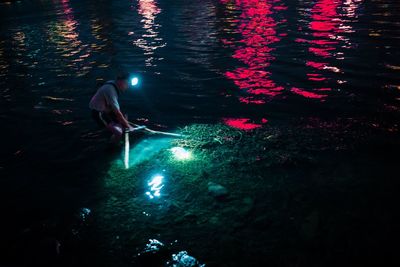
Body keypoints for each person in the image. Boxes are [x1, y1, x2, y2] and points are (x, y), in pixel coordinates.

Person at [89, 73, 135, 143]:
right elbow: (117, 112)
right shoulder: (111, 90)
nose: (127, 87)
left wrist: (124, 123)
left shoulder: (113, 84)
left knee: (121, 122)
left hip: (107, 108)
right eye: (127, 84)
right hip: (98, 113)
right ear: (120, 81)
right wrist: (128, 126)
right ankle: (112, 146)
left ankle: (117, 133)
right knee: (118, 132)